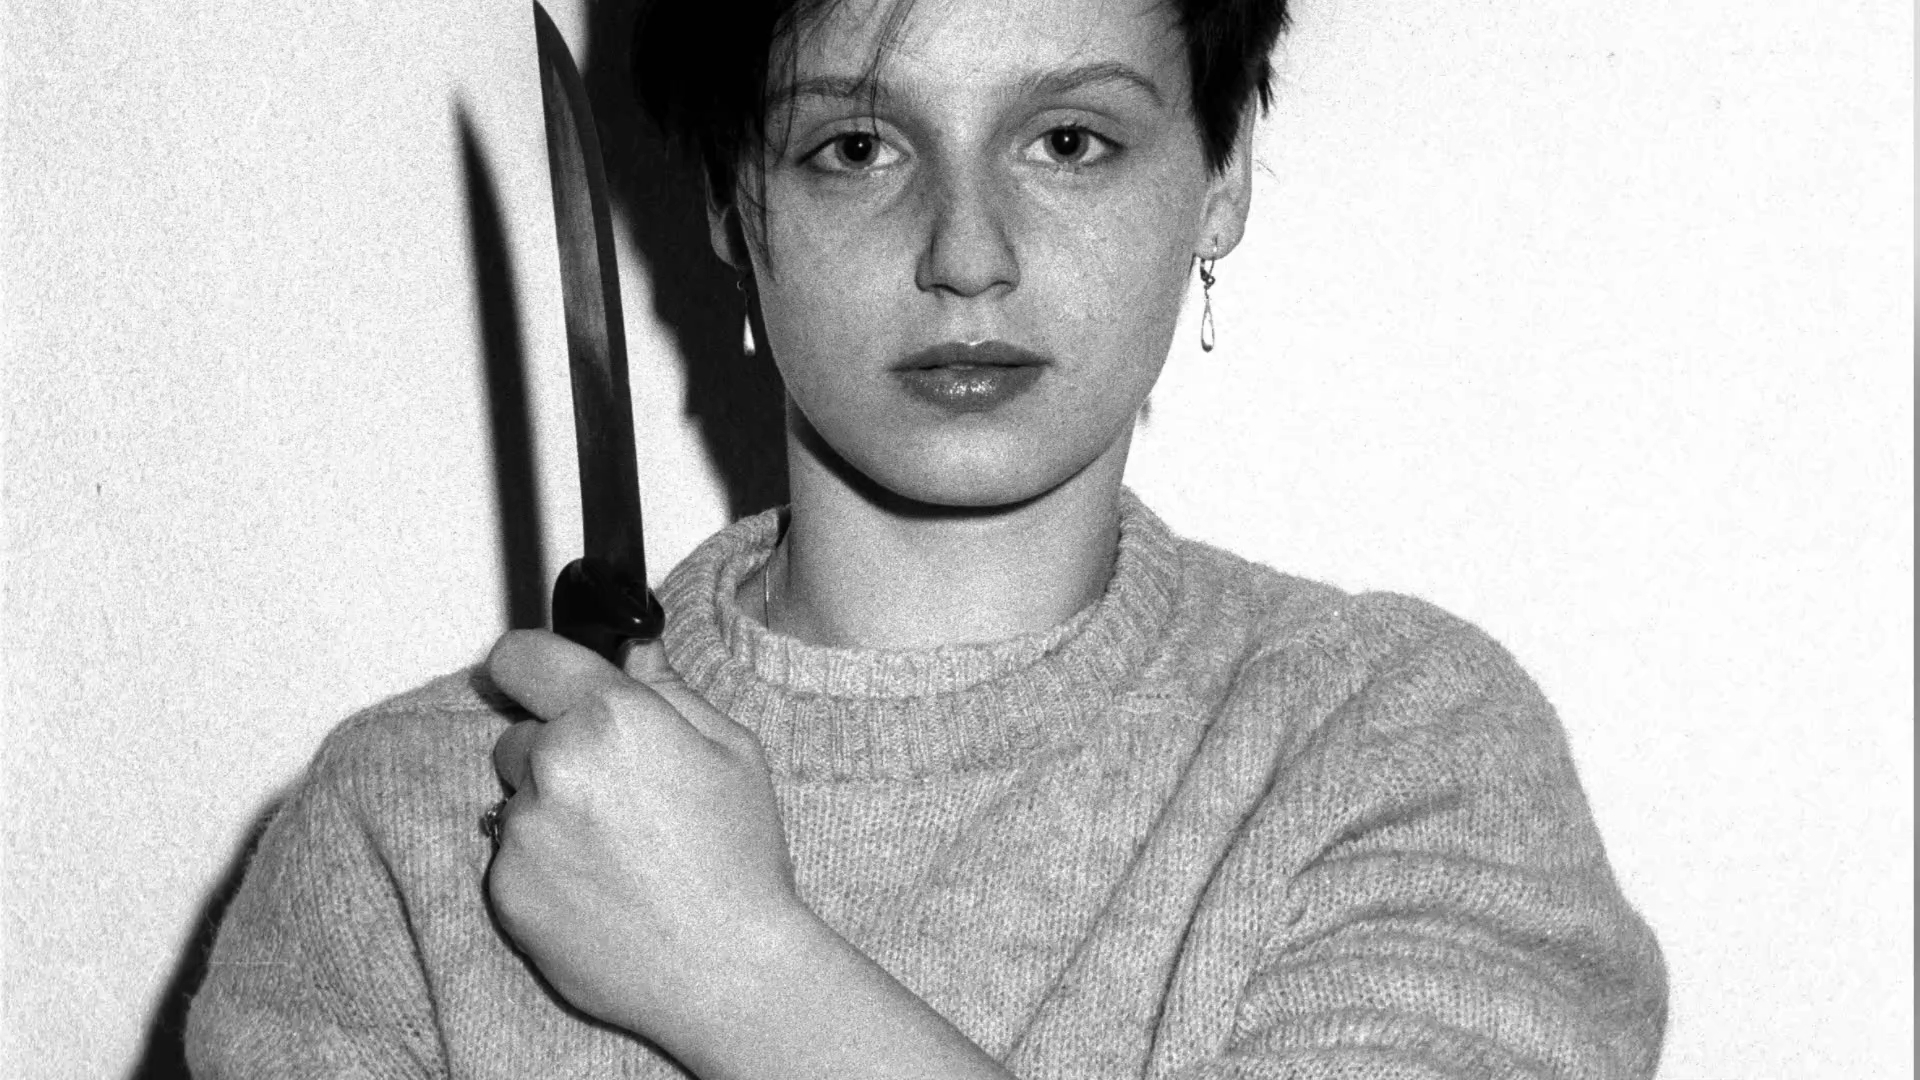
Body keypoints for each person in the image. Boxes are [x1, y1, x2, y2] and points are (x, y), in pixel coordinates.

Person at [186, 0, 1669, 1075]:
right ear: (729, 201)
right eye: (855, 147)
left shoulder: (1392, 752)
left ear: (1218, 180)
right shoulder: (409, 832)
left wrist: (743, 973)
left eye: (1070, 140)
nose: (968, 253)